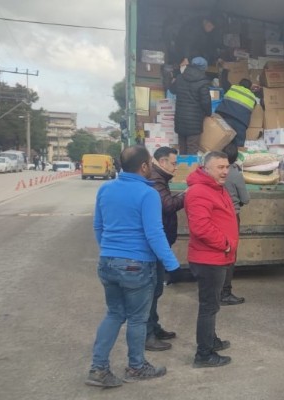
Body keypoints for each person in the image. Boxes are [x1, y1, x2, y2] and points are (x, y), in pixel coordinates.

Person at [86, 146, 179, 388]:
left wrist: (109, 250)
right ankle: (136, 367)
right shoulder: (147, 194)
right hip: (136, 266)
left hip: (107, 262)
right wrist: (171, 263)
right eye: (150, 162)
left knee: (114, 314)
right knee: (138, 319)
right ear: (144, 166)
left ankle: (98, 368)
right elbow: (154, 233)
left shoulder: (105, 189)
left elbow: (99, 226)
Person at [185, 151, 238, 368]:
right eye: (220, 167)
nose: (225, 171)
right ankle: (204, 355)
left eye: (227, 167)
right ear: (206, 168)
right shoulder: (199, 191)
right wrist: (225, 243)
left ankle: (211, 340)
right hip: (209, 259)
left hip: (218, 257)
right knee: (208, 307)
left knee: (213, 305)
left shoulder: (216, 187)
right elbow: (200, 227)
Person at [144, 147, 185, 352]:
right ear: (162, 161)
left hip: (160, 243)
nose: (176, 167)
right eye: (174, 163)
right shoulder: (156, 178)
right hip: (154, 246)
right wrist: (186, 196)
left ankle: (154, 327)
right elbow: (166, 205)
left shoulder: (160, 178)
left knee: (157, 289)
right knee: (152, 290)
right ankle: (148, 334)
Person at [221, 144, 249, 306]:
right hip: (231, 217)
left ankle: (216, 290)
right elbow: (245, 199)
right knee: (230, 254)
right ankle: (225, 292)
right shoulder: (235, 174)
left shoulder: (211, 171)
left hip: (216, 216)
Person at [170, 57, 212, 154]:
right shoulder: (203, 82)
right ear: (203, 68)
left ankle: (182, 168)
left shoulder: (180, 77)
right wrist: (208, 113)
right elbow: (206, 102)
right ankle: (190, 169)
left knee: (182, 148)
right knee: (192, 148)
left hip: (180, 118)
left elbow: (172, 90)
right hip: (194, 121)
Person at [215, 79, 256, 148]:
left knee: (220, 139)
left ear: (239, 84)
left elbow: (224, 81)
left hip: (226, 117)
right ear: (250, 87)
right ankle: (238, 156)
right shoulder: (252, 97)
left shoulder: (232, 88)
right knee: (239, 144)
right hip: (241, 122)